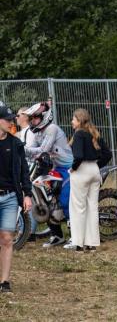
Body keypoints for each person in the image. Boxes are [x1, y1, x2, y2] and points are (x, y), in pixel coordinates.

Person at [24, 102, 73, 248]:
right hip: (54, 168)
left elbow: (42, 150)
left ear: (44, 116)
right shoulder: (37, 132)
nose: (32, 121)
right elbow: (32, 151)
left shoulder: (51, 129)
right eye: (31, 119)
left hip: (68, 168)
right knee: (45, 201)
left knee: (65, 200)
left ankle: (75, 236)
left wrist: (23, 149)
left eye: (34, 118)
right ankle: (57, 236)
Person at [68, 109, 112, 252]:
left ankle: (79, 243)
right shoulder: (94, 133)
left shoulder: (79, 134)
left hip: (81, 171)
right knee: (92, 207)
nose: (72, 122)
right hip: (94, 170)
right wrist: (96, 166)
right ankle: (92, 243)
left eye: (73, 119)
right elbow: (108, 154)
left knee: (78, 208)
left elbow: (79, 156)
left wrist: (73, 168)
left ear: (79, 120)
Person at [0, 105, 32, 293]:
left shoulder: (15, 144)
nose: (12, 122)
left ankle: (4, 282)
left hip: (10, 197)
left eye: (13, 119)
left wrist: (27, 194)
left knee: (6, 239)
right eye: (8, 119)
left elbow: (23, 172)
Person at [15, 107, 38, 241]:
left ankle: (30, 232)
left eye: (18, 115)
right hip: (26, 168)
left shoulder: (29, 133)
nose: (16, 118)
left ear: (25, 116)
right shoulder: (23, 132)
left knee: (30, 198)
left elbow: (28, 152)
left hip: (30, 168)